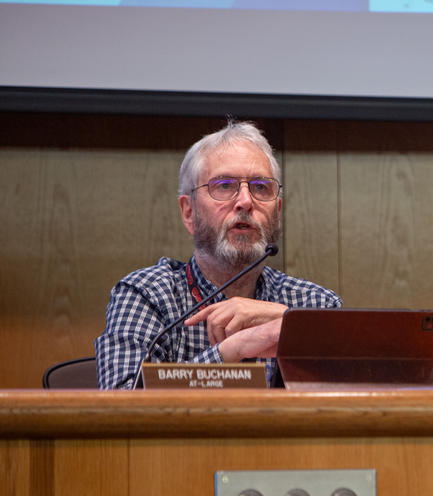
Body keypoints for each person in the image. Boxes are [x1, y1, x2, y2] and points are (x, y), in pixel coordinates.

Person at [96, 120, 341, 389]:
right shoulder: (147, 295)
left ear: (278, 212)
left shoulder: (315, 304)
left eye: (261, 187)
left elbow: (355, 403)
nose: (246, 201)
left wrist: (290, 322)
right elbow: (122, 409)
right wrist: (232, 350)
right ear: (189, 212)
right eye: (224, 185)